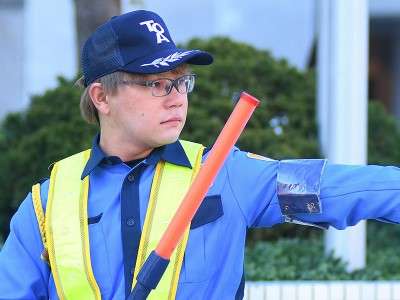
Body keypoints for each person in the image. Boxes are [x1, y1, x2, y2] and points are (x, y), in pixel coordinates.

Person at [0, 9, 400, 300]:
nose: (177, 99)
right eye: (156, 83)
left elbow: (339, 189)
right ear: (102, 96)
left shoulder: (224, 174)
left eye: (181, 82)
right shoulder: (45, 205)